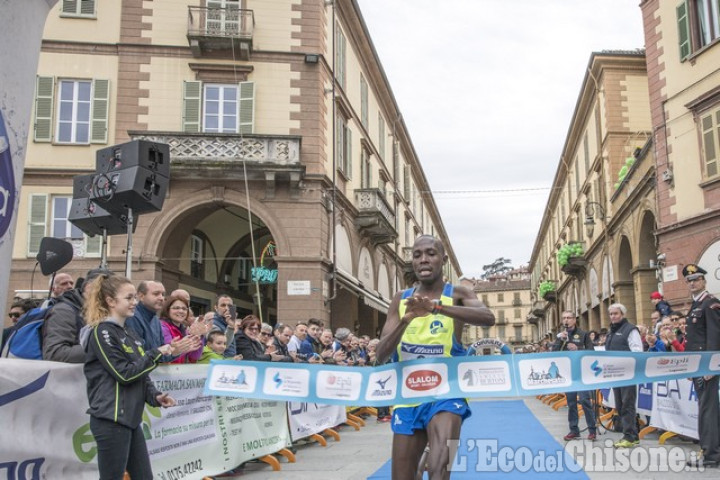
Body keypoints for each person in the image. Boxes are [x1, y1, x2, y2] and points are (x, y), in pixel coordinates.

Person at [375, 235, 495, 480]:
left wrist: (436, 307)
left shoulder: (459, 293)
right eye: (417, 255)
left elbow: (488, 317)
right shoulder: (400, 299)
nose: (423, 260)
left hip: (447, 393)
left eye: (431, 253)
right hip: (408, 395)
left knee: (439, 470)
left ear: (443, 259)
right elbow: (380, 355)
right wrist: (406, 320)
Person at [82, 273, 178, 480]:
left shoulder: (129, 333)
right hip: (111, 418)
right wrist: (157, 353)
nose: (134, 302)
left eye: (135, 297)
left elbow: (141, 373)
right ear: (110, 301)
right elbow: (123, 373)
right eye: (129, 298)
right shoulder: (102, 332)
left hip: (130, 419)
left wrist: (155, 396)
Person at [682, 264, 720, 468]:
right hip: (697, 366)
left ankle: (711, 454)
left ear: (704, 280)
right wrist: (691, 366)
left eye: (696, 279)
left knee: (708, 410)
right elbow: (694, 340)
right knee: (707, 409)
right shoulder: (696, 305)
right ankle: (712, 450)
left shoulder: (710, 303)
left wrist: (710, 367)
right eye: (689, 280)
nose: (692, 283)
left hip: (706, 367)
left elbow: (714, 337)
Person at [43, 268, 109, 363]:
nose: (69, 286)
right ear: (88, 287)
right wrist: (104, 349)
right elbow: (55, 353)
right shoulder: (63, 311)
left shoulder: (98, 310)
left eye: (71, 283)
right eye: (64, 283)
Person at [552, 311, 597, 441]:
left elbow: (591, 352)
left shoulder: (583, 334)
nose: (566, 320)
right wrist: (559, 341)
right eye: (564, 318)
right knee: (571, 403)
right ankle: (574, 430)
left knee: (584, 401)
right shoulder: (561, 336)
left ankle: (592, 430)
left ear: (574, 320)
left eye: (569, 318)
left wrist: (577, 349)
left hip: (581, 373)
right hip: (568, 374)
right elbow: (554, 353)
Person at [605, 302, 643, 448]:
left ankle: (629, 436)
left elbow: (637, 351)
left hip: (628, 374)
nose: (613, 316)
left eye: (616, 313)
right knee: (620, 405)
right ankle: (634, 435)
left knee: (627, 404)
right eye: (611, 314)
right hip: (615, 375)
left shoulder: (630, 330)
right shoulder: (611, 331)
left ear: (622, 314)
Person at [159, 295, 206, 364]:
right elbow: (168, 356)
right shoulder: (162, 327)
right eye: (176, 308)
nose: (181, 311)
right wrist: (184, 349)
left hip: (178, 372)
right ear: (167, 310)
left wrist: (199, 336)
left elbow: (194, 357)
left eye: (184, 309)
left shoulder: (184, 330)